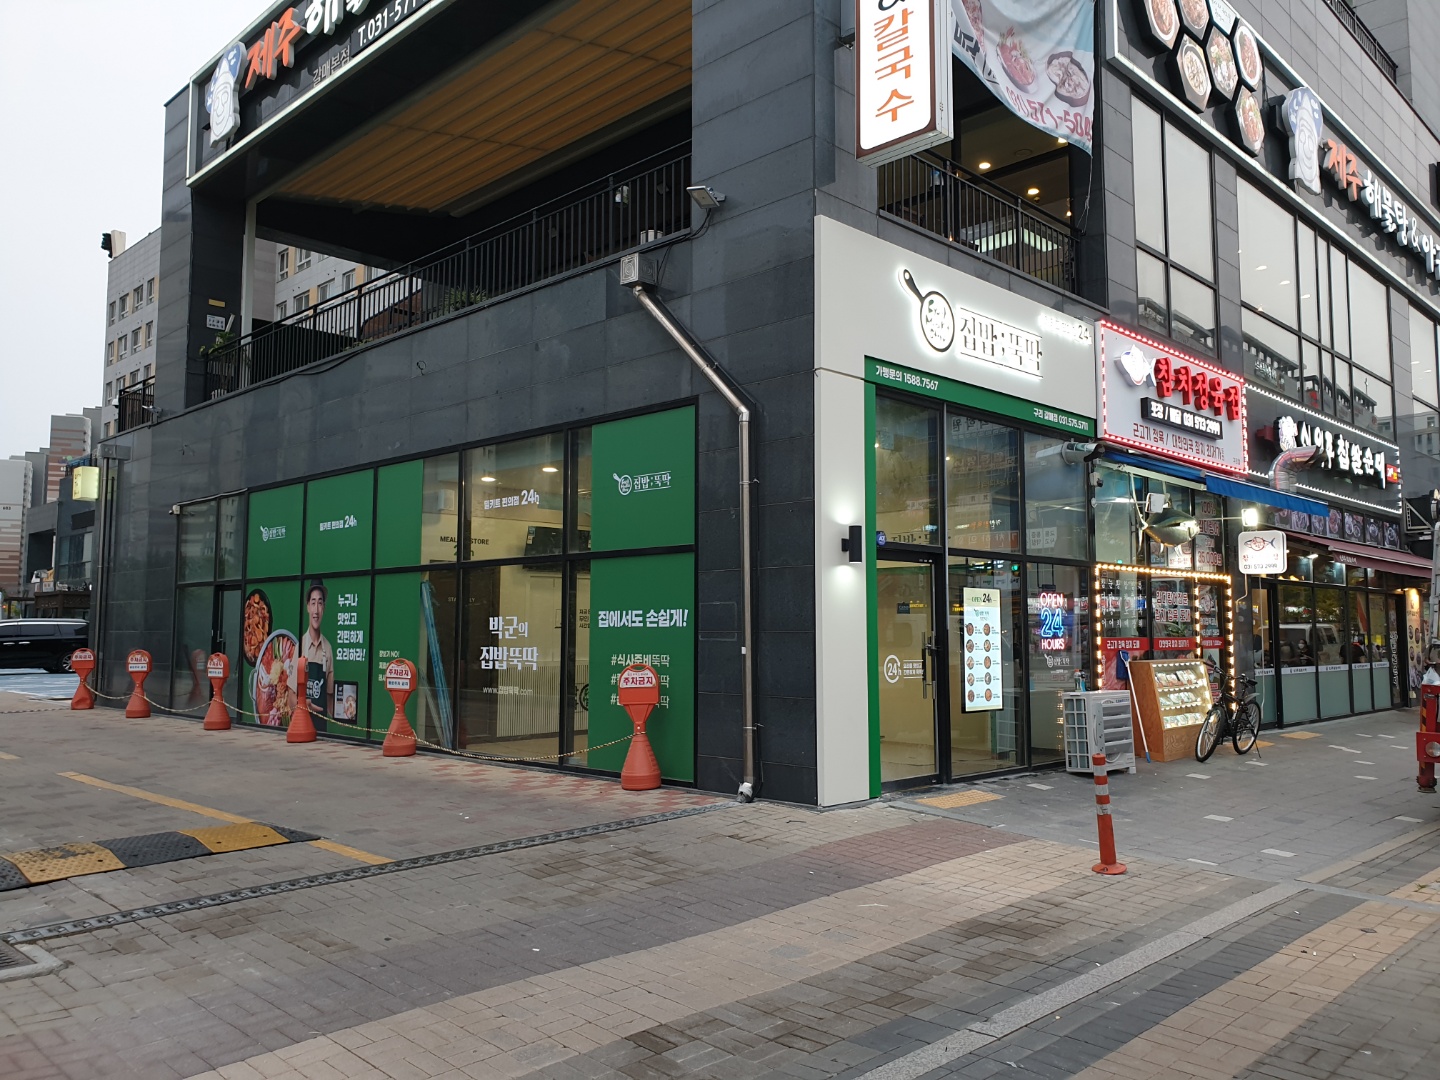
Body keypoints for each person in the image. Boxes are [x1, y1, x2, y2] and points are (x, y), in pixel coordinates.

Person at [301, 579, 334, 732]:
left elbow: (329, 697)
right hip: (302, 727)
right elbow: (290, 697)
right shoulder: (300, 647)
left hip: (322, 733)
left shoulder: (328, 648)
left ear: (324, 608)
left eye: (320, 603)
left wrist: (346, 710)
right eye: (313, 603)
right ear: (308, 607)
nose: (316, 610)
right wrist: (303, 704)